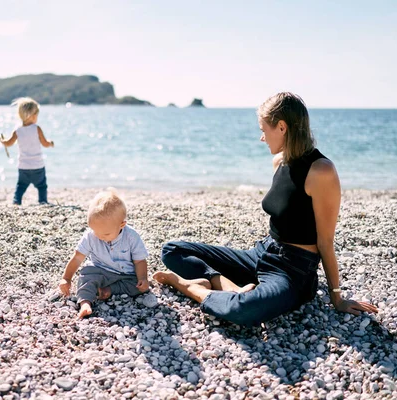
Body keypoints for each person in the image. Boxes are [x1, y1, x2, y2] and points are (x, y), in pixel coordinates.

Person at [153, 92, 378, 327]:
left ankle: (188, 286)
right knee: (173, 250)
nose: (262, 138)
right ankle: (228, 286)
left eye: (263, 129)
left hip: (292, 270)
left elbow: (325, 241)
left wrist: (337, 297)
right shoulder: (279, 162)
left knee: (242, 310)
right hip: (263, 252)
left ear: (282, 127)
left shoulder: (321, 171)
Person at [59, 189, 150, 319]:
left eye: (106, 234)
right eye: (95, 231)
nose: (100, 236)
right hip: (100, 270)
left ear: (122, 225)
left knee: (140, 287)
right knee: (86, 277)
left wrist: (142, 278)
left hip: (126, 275)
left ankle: (109, 290)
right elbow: (77, 258)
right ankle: (85, 303)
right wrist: (66, 278)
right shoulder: (90, 236)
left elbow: (139, 261)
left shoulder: (131, 236)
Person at [0, 97, 54, 205]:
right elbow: (45, 143)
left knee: (21, 186)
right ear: (33, 115)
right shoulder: (37, 128)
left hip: (23, 167)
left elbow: (8, 143)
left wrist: (3, 141)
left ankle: (16, 201)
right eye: (37, 115)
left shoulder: (18, 130)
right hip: (37, 166)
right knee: (42, 186)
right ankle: (43, 201)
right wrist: (50, 143)